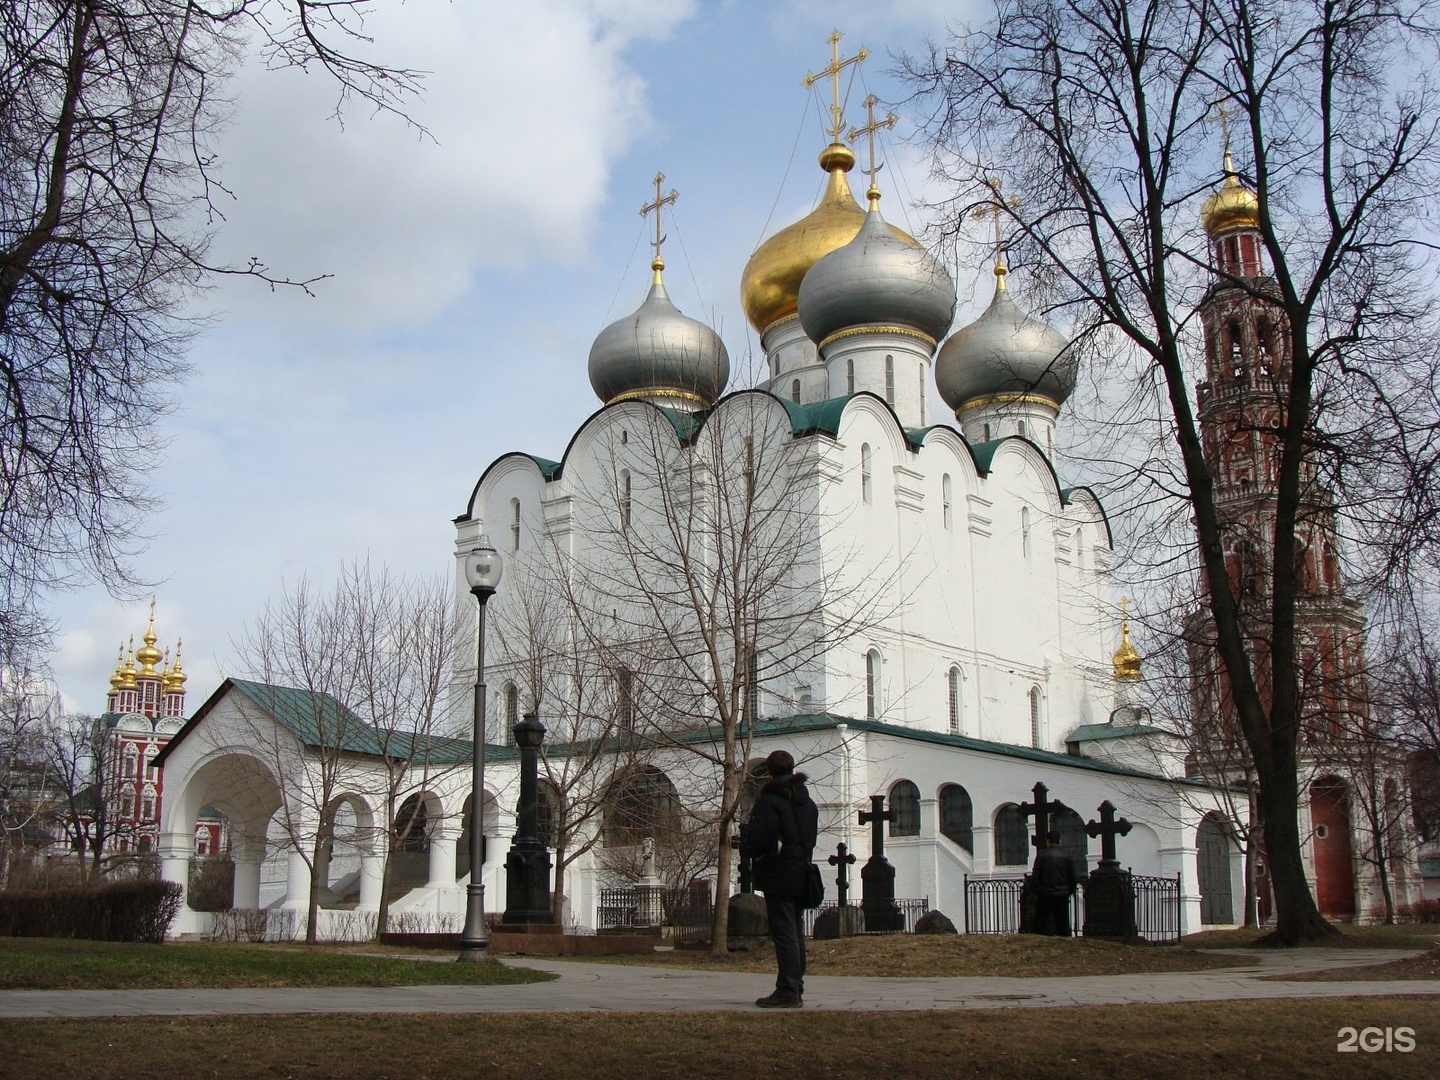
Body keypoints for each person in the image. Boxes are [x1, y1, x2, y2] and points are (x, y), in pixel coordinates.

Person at [740, 749, 819, 1008]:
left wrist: (746, 846)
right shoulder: (807, 803)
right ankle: (796, 985)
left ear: (770, 773)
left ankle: (787, 990)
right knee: (796, 933)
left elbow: (762, 838)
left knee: (784, 934)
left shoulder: (770, 801)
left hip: (779, 874)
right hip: (802, 871)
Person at [1030, 829, 1078, 936]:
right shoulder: (1067, 855)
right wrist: (1069, 890)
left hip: (1045, 893)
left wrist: (1038, 890)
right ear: (1060, 841)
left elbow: (1036, 874)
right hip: (1062, 893)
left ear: (1048, 842)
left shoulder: (1042, 855)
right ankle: (1065, 941)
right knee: (1062, 922)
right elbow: (1072, 875)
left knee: (1040, 922)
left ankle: (1037, 941)